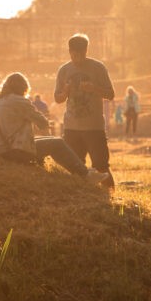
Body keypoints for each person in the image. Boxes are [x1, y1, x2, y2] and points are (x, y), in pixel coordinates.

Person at [0, 72, 108, 184]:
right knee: (57, 143)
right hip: (14, 152)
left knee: (45, 140)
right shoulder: (19, 100)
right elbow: (42, 122)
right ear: (23, 88)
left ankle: (84, 170)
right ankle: (85, 175)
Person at [54, 33, 117, 189]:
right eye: (74, 54)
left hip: (94, 127)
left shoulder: (98, 68)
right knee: (75, 168)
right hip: (71, 127)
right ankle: (81, 197)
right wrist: (66, 92)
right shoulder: (63, 70)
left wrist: (93, 88)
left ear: (86, 51)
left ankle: (112, 198)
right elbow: (58, 98)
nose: (78, 58)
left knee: (101, 165)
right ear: (69, 52)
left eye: (81, 54)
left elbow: (110, 94)